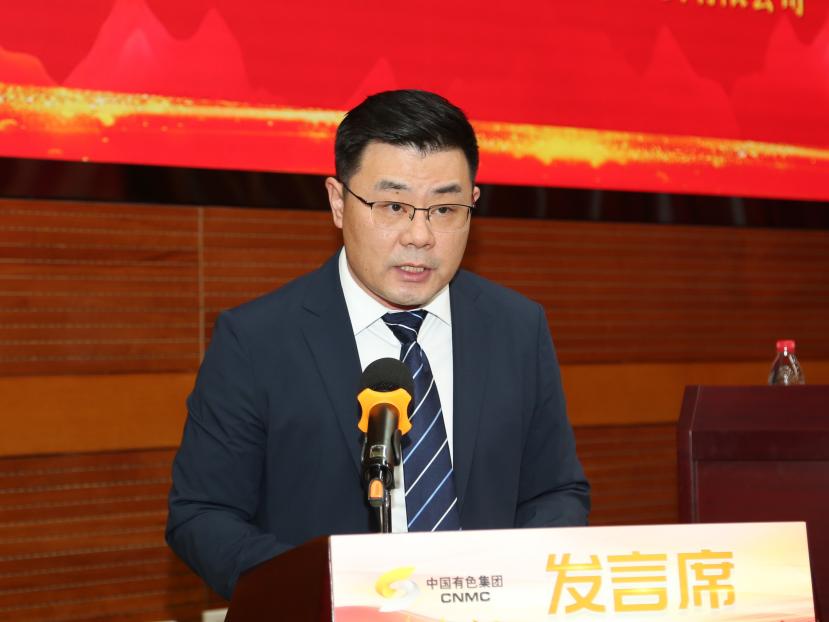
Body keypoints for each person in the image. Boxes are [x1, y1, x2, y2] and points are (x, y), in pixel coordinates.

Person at [166, 89, 590, 600]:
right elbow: (202, 515)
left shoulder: (517, 328)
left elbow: (555, 492)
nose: (420, 236)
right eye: (393, 206)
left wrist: (509, 587)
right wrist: (330, 592)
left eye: (445, 208)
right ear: (338, 202)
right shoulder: (256, 340)